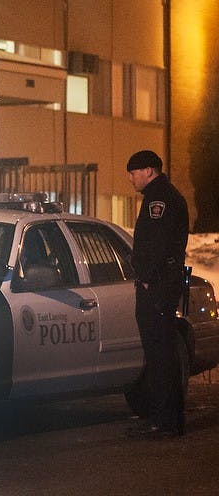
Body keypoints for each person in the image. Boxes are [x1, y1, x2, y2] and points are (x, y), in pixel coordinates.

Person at [127, 149, 189, 438]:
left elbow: (158, 244)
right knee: (160, 355)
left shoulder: (160, 200)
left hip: (158, 289)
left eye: (134, 172)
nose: (131, 178)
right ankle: (166, 418)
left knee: (160, 355)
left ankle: (164, 421)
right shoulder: (162, 196)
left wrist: (148, 278)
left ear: (149, 170)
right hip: (161, 286)